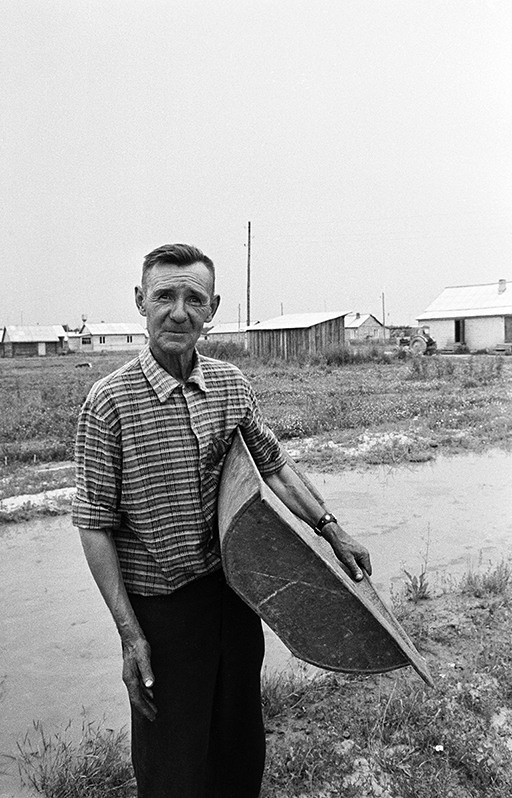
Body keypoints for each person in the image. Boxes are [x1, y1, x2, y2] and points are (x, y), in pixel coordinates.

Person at [72, 243, 372, 798]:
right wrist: (129, 634)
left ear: (212, 309)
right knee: (173, 764)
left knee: (237, 746)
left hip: (235, 595)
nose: (178, 312)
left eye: (194, 299)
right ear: (140, 301)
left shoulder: (232, 385)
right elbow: (94, 526)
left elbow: (274, 467)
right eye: (164, 296)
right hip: (161, 613)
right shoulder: (108, 403)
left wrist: (332, 528)